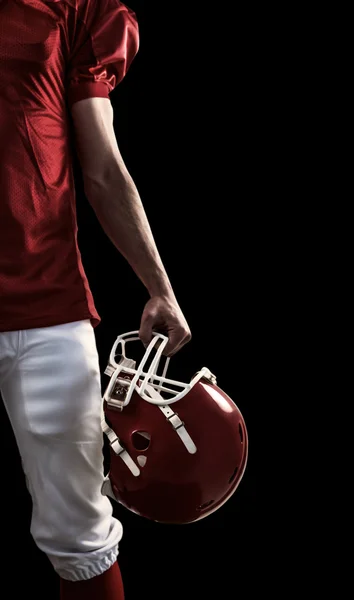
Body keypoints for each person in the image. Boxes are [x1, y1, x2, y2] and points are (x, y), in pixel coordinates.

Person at [0, 0, 191, 597]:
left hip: (44, 299)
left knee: (81, 535)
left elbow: (103, 166)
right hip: (42, 303)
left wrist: (158, 286)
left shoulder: (74, 10)